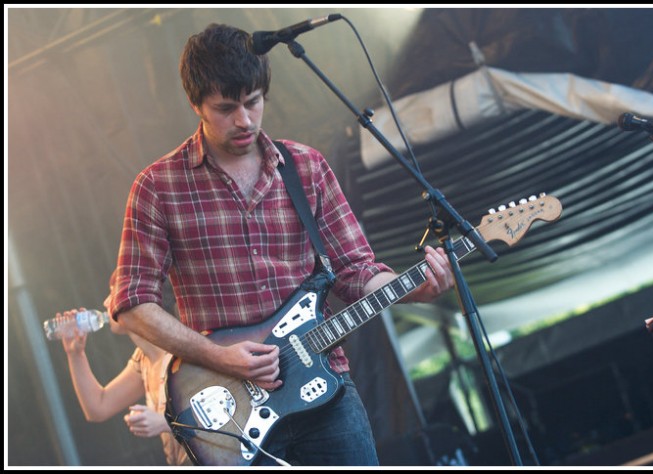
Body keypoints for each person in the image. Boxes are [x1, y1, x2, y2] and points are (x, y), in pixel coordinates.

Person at [110, 23, 454, 466]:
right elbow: (133, 304)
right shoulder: (158, 187)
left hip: (323, 391)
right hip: (231, 413)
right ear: (195, 103)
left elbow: (355, 270)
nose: (244, 120)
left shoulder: (306, 167)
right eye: (225, 108)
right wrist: (221, 357)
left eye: (253, 102)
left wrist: (413, 289)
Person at [59, 271, 190, 466]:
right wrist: (75, 354)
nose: (105, 302)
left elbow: (225, 411)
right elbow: (98, 407)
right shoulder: (143, 359)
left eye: (112, 293)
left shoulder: (184, 349)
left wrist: (164, 423)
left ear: (136, 299)